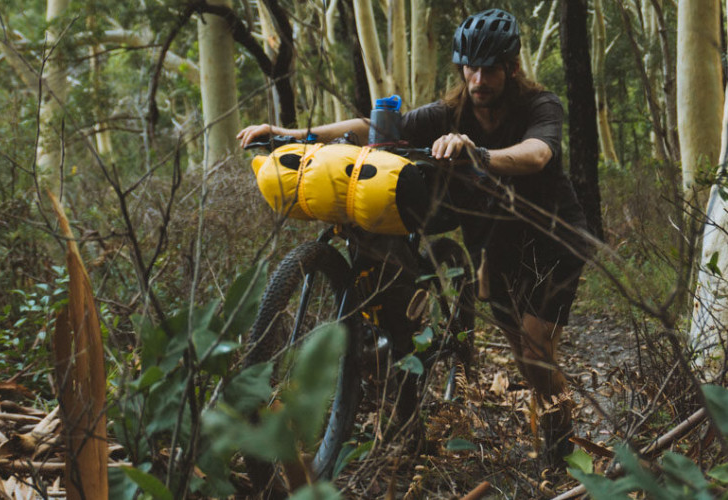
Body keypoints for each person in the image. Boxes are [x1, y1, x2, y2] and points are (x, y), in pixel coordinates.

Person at [237, 8, 589, 466]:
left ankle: (561, 451)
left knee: (538, 348)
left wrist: (477, 151)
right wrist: (292, 134)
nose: (479, 78)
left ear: (512, 67)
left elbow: (537, 153)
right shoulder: (451, 110)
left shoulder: (540, 106)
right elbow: (378, 128)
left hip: (553, 236)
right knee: (521, 354)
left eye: (490, 69)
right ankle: (549, 421)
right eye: (471, 68)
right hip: (494, 238)